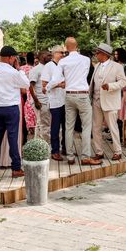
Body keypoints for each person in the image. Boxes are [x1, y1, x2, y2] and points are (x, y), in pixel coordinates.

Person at [48, 37, 101, 165]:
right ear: (77, 46)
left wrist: (47, 87)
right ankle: (85, 156)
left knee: (69, 127)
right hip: (82, 95)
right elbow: (86, 75)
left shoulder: (63, 62)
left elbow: (55, 79)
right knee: (86, 126)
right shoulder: (86, 60)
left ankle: (70, 157)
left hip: (69, 96)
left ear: (66, 48)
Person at [0, 46, 30, 177]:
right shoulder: (14, 72)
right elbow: (26, 84)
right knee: (13, 138)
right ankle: (16, 168)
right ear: (10, 58)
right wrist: (19, 69)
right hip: (12, 108)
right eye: (14, 57)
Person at [90, 43, 126, 161]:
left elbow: (122, 82)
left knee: (113, 127)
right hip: (96, 100)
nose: (96, 55)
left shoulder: (117, 66)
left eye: (98, 53)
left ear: (104, 54)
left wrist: (110, 86)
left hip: (109, 101)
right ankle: (99, 152)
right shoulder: (96, 66)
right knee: (96, 128)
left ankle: (117, 151)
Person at [42, 45, 67, 160]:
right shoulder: (48, 66)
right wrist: (58, 85)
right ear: (55, 53)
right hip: (55, 101)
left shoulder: (63, 65)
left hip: (65, 99)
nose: (63, 54)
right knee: (55, 127)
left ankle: (66, 148)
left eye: (63, 52)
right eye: (61, 52)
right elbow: (44, 86)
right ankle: (55, 151)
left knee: (66, 126)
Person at [29, 51, 51, 143]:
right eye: (48, 55)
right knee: (44, 125)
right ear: (42, 56)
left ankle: (39, 144)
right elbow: (31, 87)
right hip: (41, 101)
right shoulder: (36, 69)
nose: (50, 56)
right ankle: (46, 145)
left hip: (48, 101)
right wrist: (36, 101)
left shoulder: (49, 68)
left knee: (41, 124)